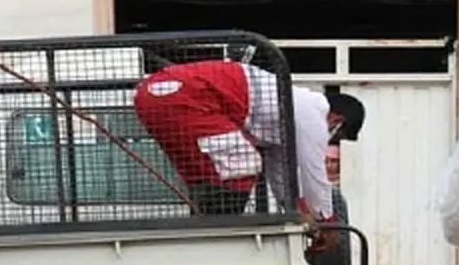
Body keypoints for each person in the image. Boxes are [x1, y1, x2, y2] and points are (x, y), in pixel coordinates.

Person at [133, 59, 365, 227]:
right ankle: (223, 230)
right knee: (242, 163)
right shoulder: (312, 113)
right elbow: (314, 174)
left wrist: (297, 211)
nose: (330, 141)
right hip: (185, 95)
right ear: (337, 119)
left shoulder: (279, 117)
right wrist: (327, 221)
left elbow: (281, 178)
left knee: (210, 173)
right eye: (337, 135)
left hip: (152, 94)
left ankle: (208, 223)